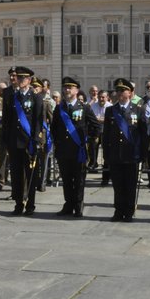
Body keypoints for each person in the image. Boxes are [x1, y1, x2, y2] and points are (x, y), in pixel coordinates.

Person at [2, 67, 47, 215]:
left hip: (29, 143)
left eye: (23, 78)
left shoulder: (36, 98)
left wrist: (36, 141)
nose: (20, 80)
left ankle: (30, 205)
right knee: (16, 175)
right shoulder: (11, 97)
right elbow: (7, 121)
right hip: (14, 143)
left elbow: (38, 122)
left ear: (29, 80)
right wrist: (6, 140)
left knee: (31, 175)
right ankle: (18, 203)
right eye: (19, 78)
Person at [103, 79, 148, 221]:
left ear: (130, 93)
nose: (121, 93)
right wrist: (106, 153)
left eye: (124, 90)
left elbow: (143, 133)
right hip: (116, 154)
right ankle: (118, 211)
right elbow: (106, 134)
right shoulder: (111, 110)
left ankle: (128, 212)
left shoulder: (139, 110)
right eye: (119, 90)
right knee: (117, 185)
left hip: (131, 155)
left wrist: (143, 153)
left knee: (130, 185)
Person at [52, 77, 90, 217]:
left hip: (78, 151)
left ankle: (78, 205)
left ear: (77, 90)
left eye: (70, 87)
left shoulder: (84, 107)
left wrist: (86, 139)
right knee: (67, 180)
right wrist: (58, 143)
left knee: (79, 180)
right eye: (65, 87)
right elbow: (54, 128)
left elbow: (95, 126)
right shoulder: (59, 108)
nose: (67, 90)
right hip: (63, 151)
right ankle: (68, 204)